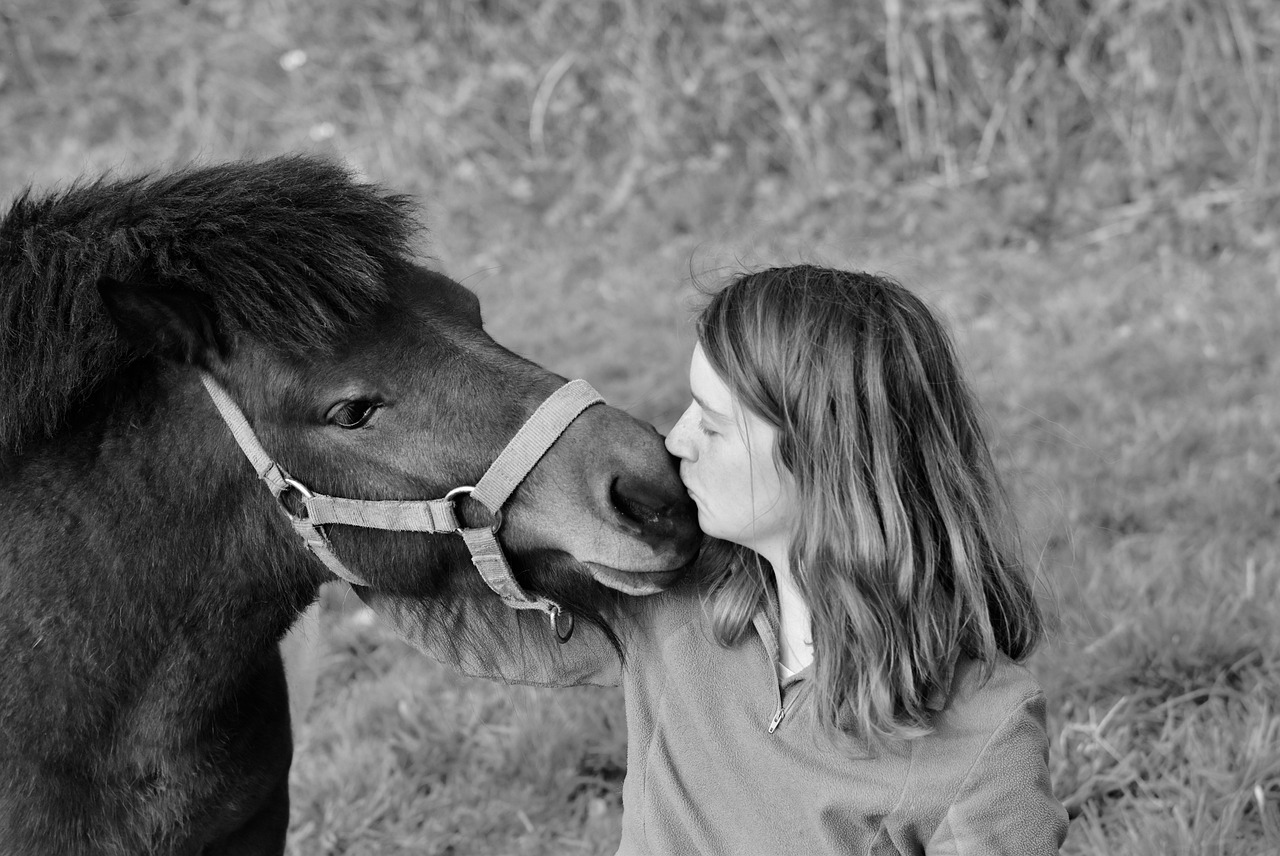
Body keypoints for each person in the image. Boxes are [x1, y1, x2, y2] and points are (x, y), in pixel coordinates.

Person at [363, 264, 1069, 854]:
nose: (674, 440)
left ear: (825, 463)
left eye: (714, 424)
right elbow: (455, 605)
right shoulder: (673, 597)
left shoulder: (985, 746)